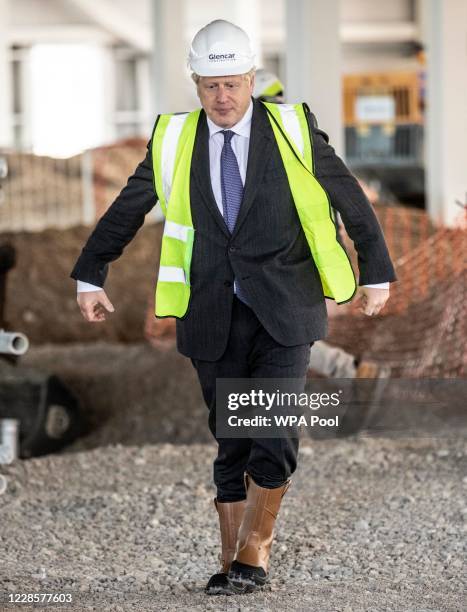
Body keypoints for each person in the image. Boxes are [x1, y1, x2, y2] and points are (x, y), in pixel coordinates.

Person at [71, 20, 396, 595]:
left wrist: (375, 271)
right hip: (211, 310)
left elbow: (349, 196)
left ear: (251, 79)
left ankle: (252, 558)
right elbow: (128, 207)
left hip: (285, 306)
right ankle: (230, 563)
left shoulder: (292, 129)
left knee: (272, 426)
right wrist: (90, 274)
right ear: (197, 83)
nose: (222, 97)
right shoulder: (174, 139)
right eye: (210, 85)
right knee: (232, 436)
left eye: (233, 84)